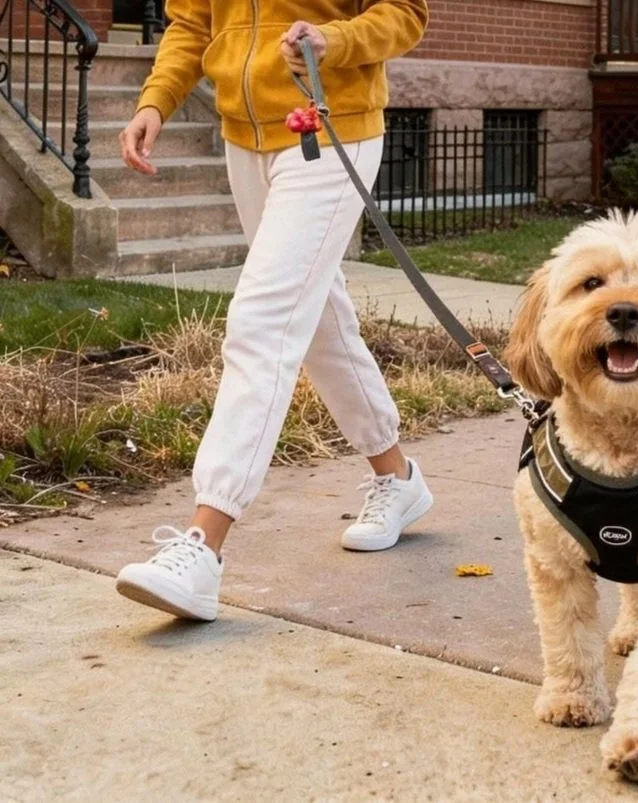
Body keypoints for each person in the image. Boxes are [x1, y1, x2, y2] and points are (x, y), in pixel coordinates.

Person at [113, 0, 432, 623]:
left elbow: (404, 13)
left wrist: (335, 40)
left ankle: (204, 542)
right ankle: (397, 477)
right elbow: (192, 23)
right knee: (316, 320)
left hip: (330, 126)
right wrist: (156, 101)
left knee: (262, 322)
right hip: (246, 137)